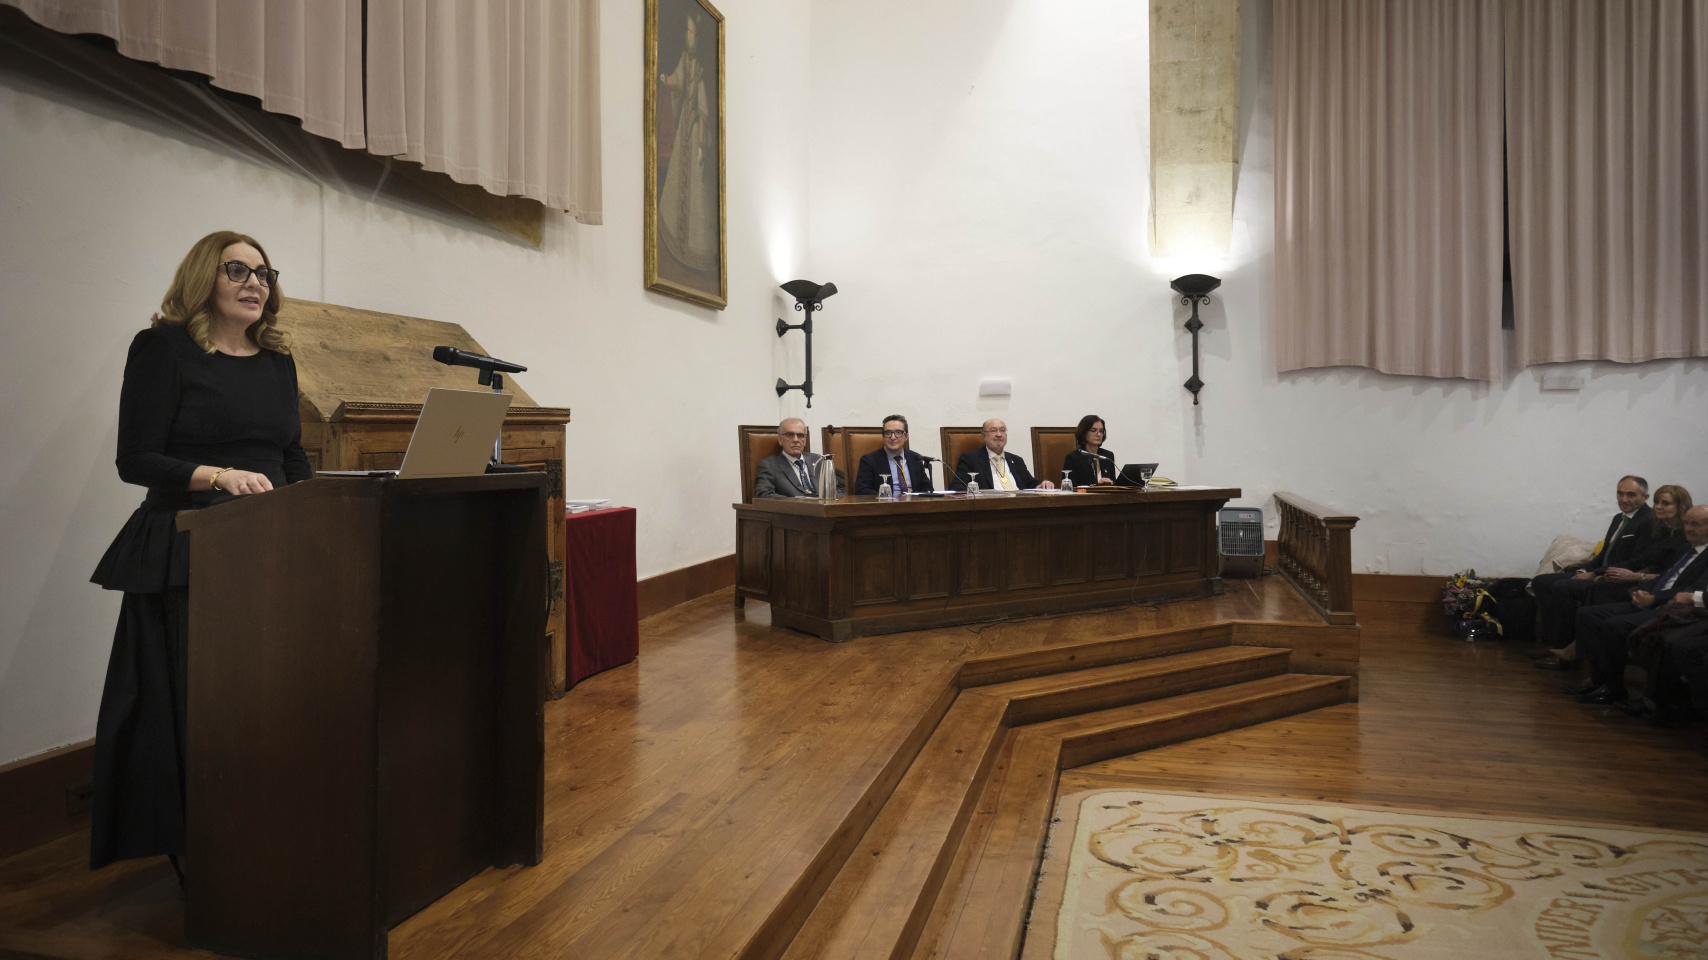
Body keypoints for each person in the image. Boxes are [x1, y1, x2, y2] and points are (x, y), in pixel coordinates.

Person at [87, 231, 312, 874]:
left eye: (264, 273)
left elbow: (289, 453)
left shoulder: (277, 361)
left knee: (268, 696)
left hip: (269, 543)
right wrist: (218, 475)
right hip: (192, 544)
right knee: (197, 701)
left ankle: (266, 827)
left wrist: (319, 509)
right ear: (202, 279)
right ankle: (200, 846)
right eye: (236, 269)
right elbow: (137, 460)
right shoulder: (162, 348)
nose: (254, 282)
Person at [1534, 484, 1690, 669]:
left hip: (1654, 588)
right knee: (1547, 582)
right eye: (1657, 502)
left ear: (1681, 506)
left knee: (1595, 589)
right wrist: (1589, 570)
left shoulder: (1684, 536)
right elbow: (1633, 560)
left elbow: (1670, 574)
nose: (1658, 507)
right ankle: (1573, 650)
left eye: (1666, 503)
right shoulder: (1662, 530)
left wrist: (1633, 577)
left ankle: (1578, 653)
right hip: (1640, 580)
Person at [1565, 504, 1708, 706]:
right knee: (1588, 614)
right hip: (1652, 599)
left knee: (1614, 625)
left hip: (1670, 609)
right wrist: (1644, 590)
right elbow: (1665, 576)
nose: (1689, 528)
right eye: (1687, 523)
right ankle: (1598, 680)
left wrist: (1653, 598)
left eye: (1696, 524)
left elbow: (1689, 591)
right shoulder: (1687, 548)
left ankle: (1614, 688)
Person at [1530, 475, 1654, 654]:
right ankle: (1551, 641)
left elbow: (1637, 561)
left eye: (1631, 495)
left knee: (1562, 587)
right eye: (1620, 493)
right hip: (1599, 571)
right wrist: (1584, 569)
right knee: (1541, 582)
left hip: (1615, 579)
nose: (1624, 499)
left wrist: (1595, 574)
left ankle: (1565, 646)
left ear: (1645, 497)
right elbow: (1604, 554)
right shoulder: (1619, 518)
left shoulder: (1647, 521)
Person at [950, 418, 1054, 492]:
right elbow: (956, 487)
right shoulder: (971, 459)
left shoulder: (1017, 460)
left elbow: (1030, 484)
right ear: (983, 435)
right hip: (989, 510)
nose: (999, 434)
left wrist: (1042, 485)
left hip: (1021, 506)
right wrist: (980, 494)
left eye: (1002, 430)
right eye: (993, 431)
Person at [754, 418, 843, 498]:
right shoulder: (769, 465)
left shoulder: (818, 460)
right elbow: (764, 494)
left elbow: (840, 489)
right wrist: (796, 504)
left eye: (800, 435)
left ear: (805, 440)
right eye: (790, 435)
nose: (796, 440)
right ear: (780, 440)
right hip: (794, 513)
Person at [854, 415, 933, 495]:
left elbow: (927, 487)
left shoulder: (915, 458)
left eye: (898, 432)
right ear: (883, 436)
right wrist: (886, 497)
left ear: (906, 437)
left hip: (914, 505)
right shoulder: (869, 460)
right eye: (888, 433)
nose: (893, 437)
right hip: (885, 505)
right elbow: (862, 490)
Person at [1061, 415, 1117, 488]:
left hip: (1106, 498)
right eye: (1093, 430)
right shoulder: (1073, 457)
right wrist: (1095, 485)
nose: (1098, 434)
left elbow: (1114, 483)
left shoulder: (1108, 455)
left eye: (1101, 431)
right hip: (1083, 498)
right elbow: (1070, 488)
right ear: (1083, 433)